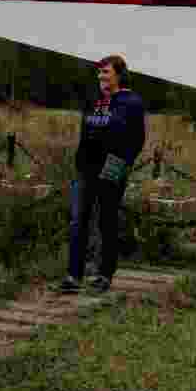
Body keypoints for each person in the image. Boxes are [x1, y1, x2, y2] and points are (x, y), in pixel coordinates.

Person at [58, 54, 146, 294]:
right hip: (86, 168)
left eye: (105, 72)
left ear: (118, 74)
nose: (101, 76)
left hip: (112, 168)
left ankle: (103, 275)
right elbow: (85, 132)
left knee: (106, 221)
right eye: (99, 72)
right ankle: (73, 276)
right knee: (78, 221)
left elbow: (137, 139)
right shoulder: (93, 101)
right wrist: (80, 160)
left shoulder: (131, 102)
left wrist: (121, 164)